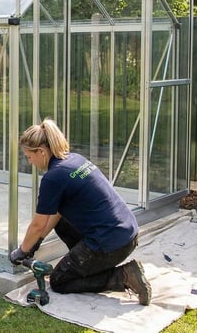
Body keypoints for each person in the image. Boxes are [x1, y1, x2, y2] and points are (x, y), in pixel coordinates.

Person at [9, 119, 152, 305]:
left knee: (59, 281)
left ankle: (124, 275)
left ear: (41, 152)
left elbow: (37, 225)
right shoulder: (75, 159)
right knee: (61, 221)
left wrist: (22, 251)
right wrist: (37, 242)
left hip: (111, 243)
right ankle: (85, 264)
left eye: (29, 157)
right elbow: (56, 214)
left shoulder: (53, 178)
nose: (29, 162)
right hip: (127, 233)